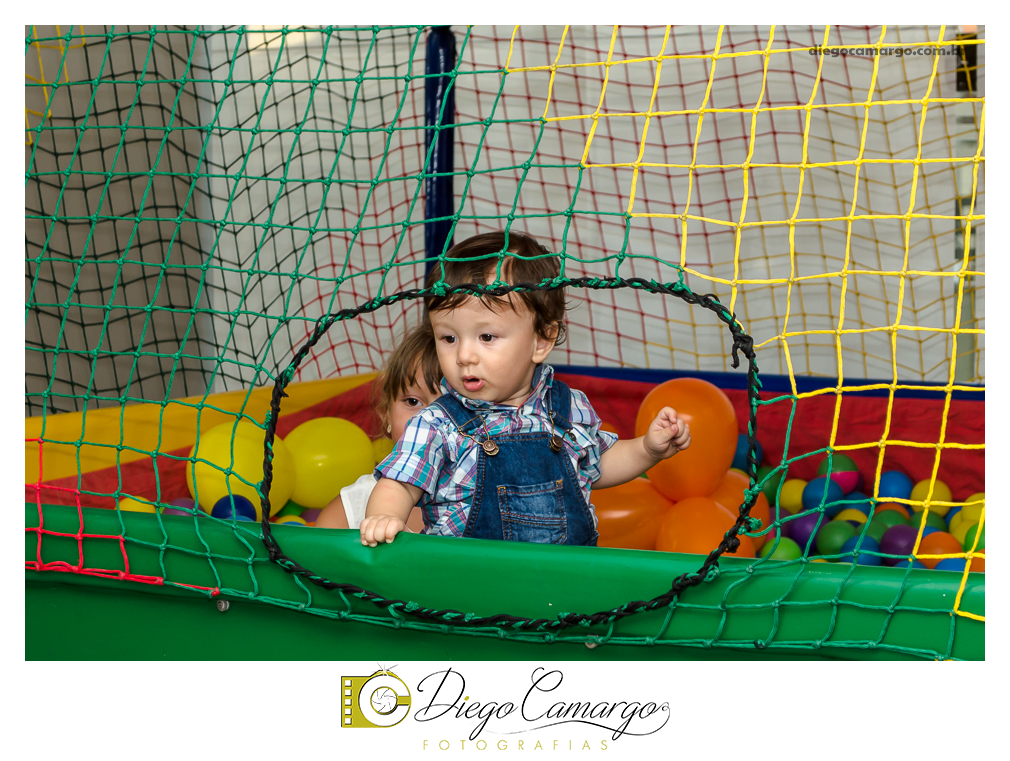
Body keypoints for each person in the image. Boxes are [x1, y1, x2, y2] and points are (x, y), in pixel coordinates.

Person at [359, 230, 691, 547]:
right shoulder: (437, 423)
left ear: (542, 339)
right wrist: (385, 517)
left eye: (486, 337)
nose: (463, 356)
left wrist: (647, 450)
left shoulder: (566, 407)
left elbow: (597, 463)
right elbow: (400, 484)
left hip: (561, 581)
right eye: (449, 338)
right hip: (466, 584)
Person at [314, 320, 442, 531]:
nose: (427, 419)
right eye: (412, 402)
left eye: (448, 404)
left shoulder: (494, 500)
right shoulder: (352, 508)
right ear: (386, 416)